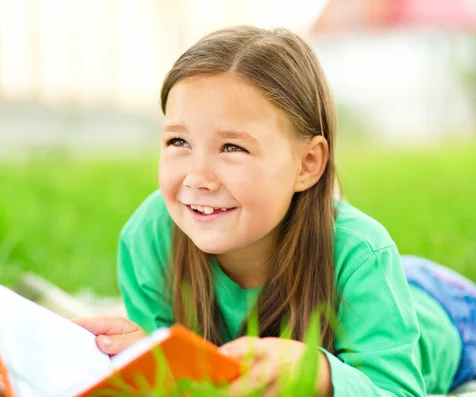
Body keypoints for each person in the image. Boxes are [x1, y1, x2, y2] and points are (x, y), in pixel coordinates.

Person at [76, 26, 476, 396]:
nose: (197, 177)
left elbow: (399, 389)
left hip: (449, 313)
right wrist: (144, 356)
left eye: (232, 147)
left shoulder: (362, 255)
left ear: (307, 164)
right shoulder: (150, 237)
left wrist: (316, 371)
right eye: (178, 141)